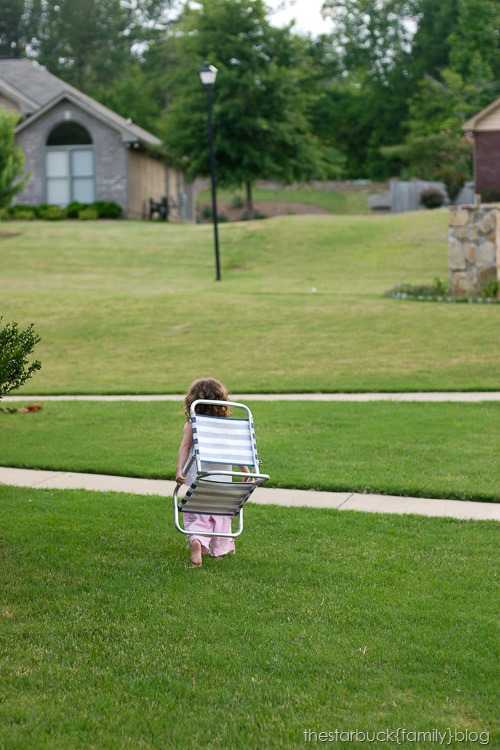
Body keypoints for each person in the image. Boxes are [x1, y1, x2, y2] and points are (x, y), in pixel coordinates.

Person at [175, 377, 251, 566]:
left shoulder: (192, 424)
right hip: (222, 481)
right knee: (220, 512)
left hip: (199, 478)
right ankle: (218, 551)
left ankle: (197, 542)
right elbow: (237, 452)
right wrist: (247, 472)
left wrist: (179, 470)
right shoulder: (228, 426)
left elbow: (185, 447)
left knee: (198, 511)